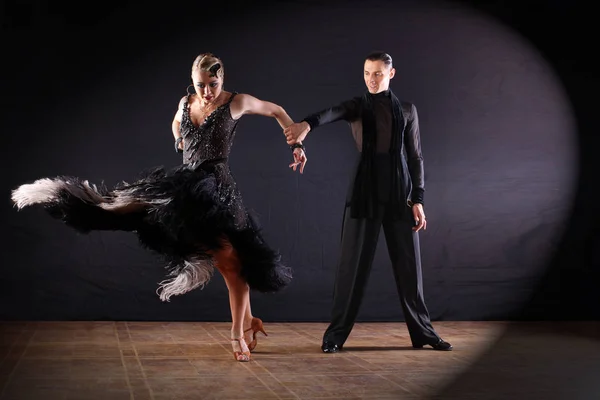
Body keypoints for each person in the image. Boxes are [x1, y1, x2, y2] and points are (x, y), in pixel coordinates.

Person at [11, 52, 308, 362]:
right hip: (185, 189)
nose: (207, 91)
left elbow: (277, 110)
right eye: (201, 85)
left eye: (213, 84)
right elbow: (177, 124)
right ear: (193, 82)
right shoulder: (185, 102)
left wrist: (296, 143)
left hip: (218, 191)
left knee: (233, 265)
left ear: (224, 78)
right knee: (123, 209)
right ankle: (62, 195)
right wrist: (181, 140)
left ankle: (238, 332)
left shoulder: (237, 102)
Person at [283, 51, 452, 352]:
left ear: (391, 74)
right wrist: (304, 127)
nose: (371, 79)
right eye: (366, 73)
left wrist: (418, 199)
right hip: (365, 190)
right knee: (352, 266)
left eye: (377, 73)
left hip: (400, 191)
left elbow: (416, 157)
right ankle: (334, 336)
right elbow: (328, 114)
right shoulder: (357, 106)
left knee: (409, 268)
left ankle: (424, 333)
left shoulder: (408, 110)